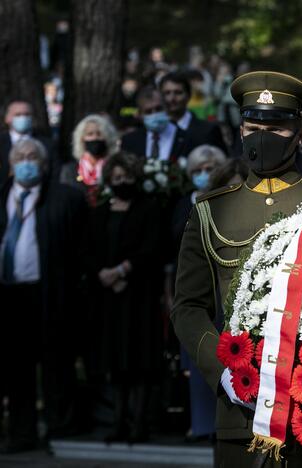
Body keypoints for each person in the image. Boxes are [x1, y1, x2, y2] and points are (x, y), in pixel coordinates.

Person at [171, 71, 302, 467]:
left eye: (276, 127)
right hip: (240, 408)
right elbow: (187, 308)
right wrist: (223, 373)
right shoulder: (211, 210)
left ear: (300, 135)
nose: (261, 136)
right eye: (252, 126)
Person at [0, 138, 86, 453]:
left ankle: (60, 428)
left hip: (49, 293)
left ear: (44, 163)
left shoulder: (65, 198)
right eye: (20, 157)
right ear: (11, 165)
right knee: (15, 368)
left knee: (56, 363)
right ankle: (21, 433)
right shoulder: (3, 195)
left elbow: (80, 249)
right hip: (9, 296)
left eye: (32, 156)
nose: (26, 161)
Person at [85, 152, 165, 443]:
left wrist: (122, 271)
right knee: (115, 363)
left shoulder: (149, 208)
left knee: (139, 360)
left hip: (139, 296)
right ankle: (118, 422)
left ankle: (139, 423)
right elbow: (89, 249)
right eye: (116, 178)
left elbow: (153, 247)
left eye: (127, 177)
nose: (122, 182)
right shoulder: (100, 211)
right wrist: (104, 274)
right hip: (109, 298)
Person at [169, 145, 228, 443]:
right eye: (197, 170)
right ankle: (202, 423)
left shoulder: (229, 199)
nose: (204, 175)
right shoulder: (184, 203)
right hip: (193, 286)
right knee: (197, 354)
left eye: (210, 168)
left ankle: (225, 423)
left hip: (223, 285)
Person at [159, 71, 228, 154]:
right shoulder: (152, 132)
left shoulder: (208, 131)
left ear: (188, 96)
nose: (172, 98)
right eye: (167, 93)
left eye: (178, 93)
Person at [60, 114, 120, 206]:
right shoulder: (69, 171)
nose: (95, 138)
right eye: (90, 134)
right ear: (81, 139)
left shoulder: (115, 168)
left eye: (99, 134)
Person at [121, 86, 192, 162]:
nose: (154, 114)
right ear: (139, 115)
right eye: (148, 112)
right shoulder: (129, 142)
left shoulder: (187, 138)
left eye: (159, 109)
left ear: (166, 108)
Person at [0, 100, 57, 185]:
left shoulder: (48, 144)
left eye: (27, 114)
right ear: (7, 118)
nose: (23, 118)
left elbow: (54, 173)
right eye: (18, 115)